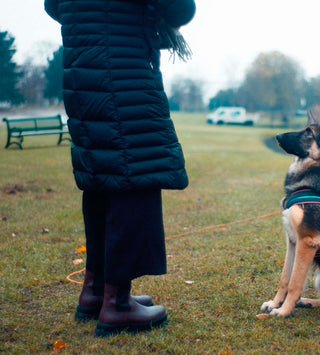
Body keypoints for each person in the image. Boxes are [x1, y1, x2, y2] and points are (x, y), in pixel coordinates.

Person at [44, 0, 195, 337]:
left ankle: (96, 291)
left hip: (83, 72)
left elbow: (53, 5)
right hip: (123, 72)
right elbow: (180, 8)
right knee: (135, 176)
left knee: (103, 176)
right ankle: (118, 305)